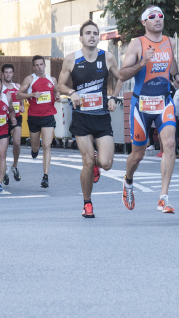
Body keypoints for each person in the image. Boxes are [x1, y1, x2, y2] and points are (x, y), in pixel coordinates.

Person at [119, 5, 179, 214]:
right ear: (144, 22)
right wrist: (143, 62)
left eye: (160, 15)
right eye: (152, 16)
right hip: (141, 105)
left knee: (169, 143)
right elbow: (122, 74)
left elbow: (171, 62)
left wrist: (176, 77)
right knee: (137, 154)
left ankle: (163, 197)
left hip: (164, 101)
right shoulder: (137, 44)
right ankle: (128, 181)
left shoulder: (170, 42)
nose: (158, 19)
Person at [57, 20, 123, 218]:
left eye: (95, 33)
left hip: (102, 117)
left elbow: (120, 77)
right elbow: (59, 85)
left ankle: (97, 165)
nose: (92, 36)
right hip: (81, 118)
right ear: (81, 38)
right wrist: (71, 92)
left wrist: (113, 97)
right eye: (88, 33)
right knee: (86, 161)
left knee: (106, 163)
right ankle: (87, 203)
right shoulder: (71, 59)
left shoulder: (108, 57)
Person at [17, 56, 61, 189]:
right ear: (33, 67)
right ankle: (34, 149)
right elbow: (19, 94)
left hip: (48, 116)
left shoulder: (52, 79)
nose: (39, 67)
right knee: (36, 147)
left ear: (45, 65)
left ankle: (45, 176)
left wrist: (58, 96)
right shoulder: (30, 79)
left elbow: (56, 90)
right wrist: (32, 95)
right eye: (37, 65)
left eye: (41, 64)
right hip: (34, 117)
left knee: (47, 146)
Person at [1, 63, 24, 185]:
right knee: (3, 148)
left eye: (10, 72)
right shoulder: (0, 88)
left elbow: (21, 100)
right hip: (4, 120)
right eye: (6, 72)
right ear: (3, 74)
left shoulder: (17, 86)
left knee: (17, 143)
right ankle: (4, 170)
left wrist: (22, 107)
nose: (8, 74)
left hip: (16, 118)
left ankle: (14, 166)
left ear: (13, 73)